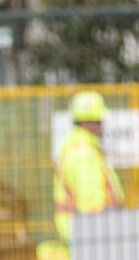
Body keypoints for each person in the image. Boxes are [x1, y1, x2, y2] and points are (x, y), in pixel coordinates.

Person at [53, 90, 124, 251]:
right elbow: (91, 204)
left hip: (81, 236)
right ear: (88, 122)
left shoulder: (79, 148)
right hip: (90, 238)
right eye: (99, 121)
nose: (102, 126)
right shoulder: (83, 154)